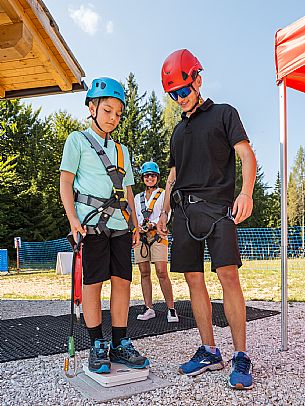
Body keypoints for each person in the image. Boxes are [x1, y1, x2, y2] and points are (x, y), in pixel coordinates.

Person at [157, 49, 257, 390]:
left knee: (228, 277)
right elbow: (172, 174)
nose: (179, 99)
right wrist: (162, 211)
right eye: (173, 95)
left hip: (218, 208)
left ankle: (241, 355)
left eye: (183, 91)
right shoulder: (176, 132)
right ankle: (209, 350)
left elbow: (246, 154)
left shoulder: (225, 114)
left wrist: (246, 193)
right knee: (193, 281)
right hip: (183, 214)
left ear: (198, 80)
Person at [60, 77, 149, 374]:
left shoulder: (123, 151)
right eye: (108, 110)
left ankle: (120, 344)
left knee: (123, 282)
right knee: (93, 283)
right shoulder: (77, 140)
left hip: (121, 226)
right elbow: (66, 183)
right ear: (92, 107)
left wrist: (135, 225)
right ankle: (97, 344)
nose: (113, 118)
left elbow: (128, 193)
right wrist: (73, 220)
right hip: (91, 226)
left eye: (118, 114)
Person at [134, 161, 179, 322]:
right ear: (143, 178)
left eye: (152, 175)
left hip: (158, 235)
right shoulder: (137, 197)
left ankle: (171, 309)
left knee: (161, 271)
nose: (150, 178)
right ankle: (148, 308)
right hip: (141, 238)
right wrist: (137, 228)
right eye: (147, 175)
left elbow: (166, 212)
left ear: (157, 177)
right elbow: (135, 216)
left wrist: (155, 224)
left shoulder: (163, 194)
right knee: (144, 273)